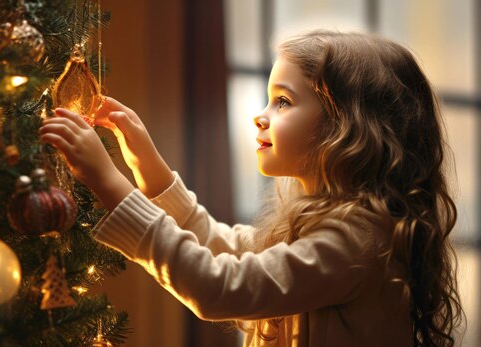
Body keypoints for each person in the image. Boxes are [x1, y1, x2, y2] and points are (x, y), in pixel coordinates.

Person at [39, 30, 463, 347]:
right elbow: (222, 246)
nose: (260, 116)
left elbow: (218, 286)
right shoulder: (328, 226)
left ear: (347, 127)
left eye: (283, 101)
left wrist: (110, 184)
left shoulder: (359, 240)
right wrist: (150, 170)